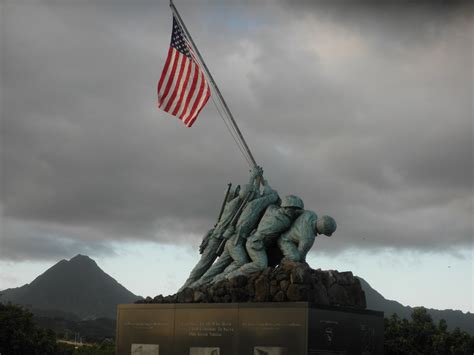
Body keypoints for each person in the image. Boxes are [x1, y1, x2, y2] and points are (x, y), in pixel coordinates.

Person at [178, 167, 261, 292]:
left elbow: (251, 195)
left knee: (214, 267)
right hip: (217, 239)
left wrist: (257, 179)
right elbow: (248, 194)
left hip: (223, 239)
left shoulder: (238, 206)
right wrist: (253, 177)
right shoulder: (233, 206)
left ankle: (200, 286)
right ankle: (185, 289)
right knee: (202, 266)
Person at [191, 178, 279, 287]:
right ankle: (219, 279)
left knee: (215, 268)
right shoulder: (254, 205)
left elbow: (254, 191)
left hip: (231, 242)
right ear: (252, 195)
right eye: (256, 193)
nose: (258, 193)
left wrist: (255, 178)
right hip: (236, 243)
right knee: (240, 263)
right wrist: (265, 184)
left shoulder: (246, 206)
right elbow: (273, 197)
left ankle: (195, 286)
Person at [225, 195, 304, 278]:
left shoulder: (271, 208)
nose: (294, 211)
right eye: (293, 209)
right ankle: (233, 275)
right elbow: (296, 219)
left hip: (255, 241)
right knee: (261, 265)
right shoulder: (284, 221)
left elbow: (275, 200)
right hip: (256, 244)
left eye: (296, 209)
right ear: (286, 207)